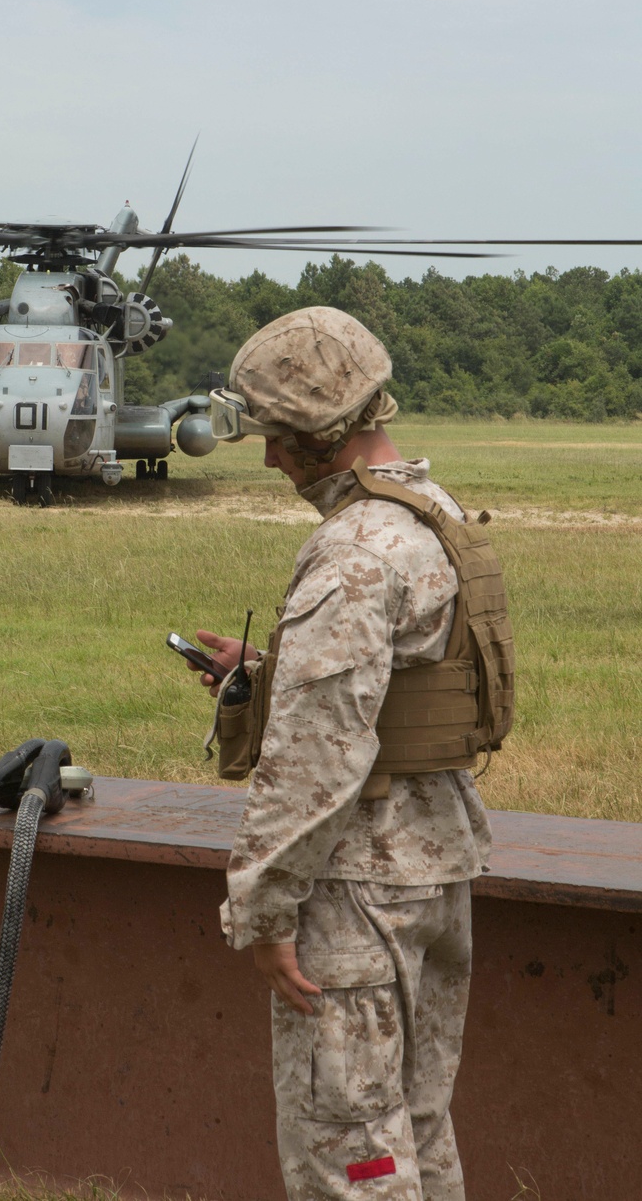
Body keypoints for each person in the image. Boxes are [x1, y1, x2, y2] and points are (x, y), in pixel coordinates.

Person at [196, 307, 513, 1201]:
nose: (269, 459)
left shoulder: (351, 553)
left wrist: (262, 913)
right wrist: (266, 672)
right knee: (414, 1131)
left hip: (359, 889)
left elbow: (314, 760)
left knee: (353, 1160)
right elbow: (399, 689)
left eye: (280, 439)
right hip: (438, 861)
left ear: (323, 434)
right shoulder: (433, 513)